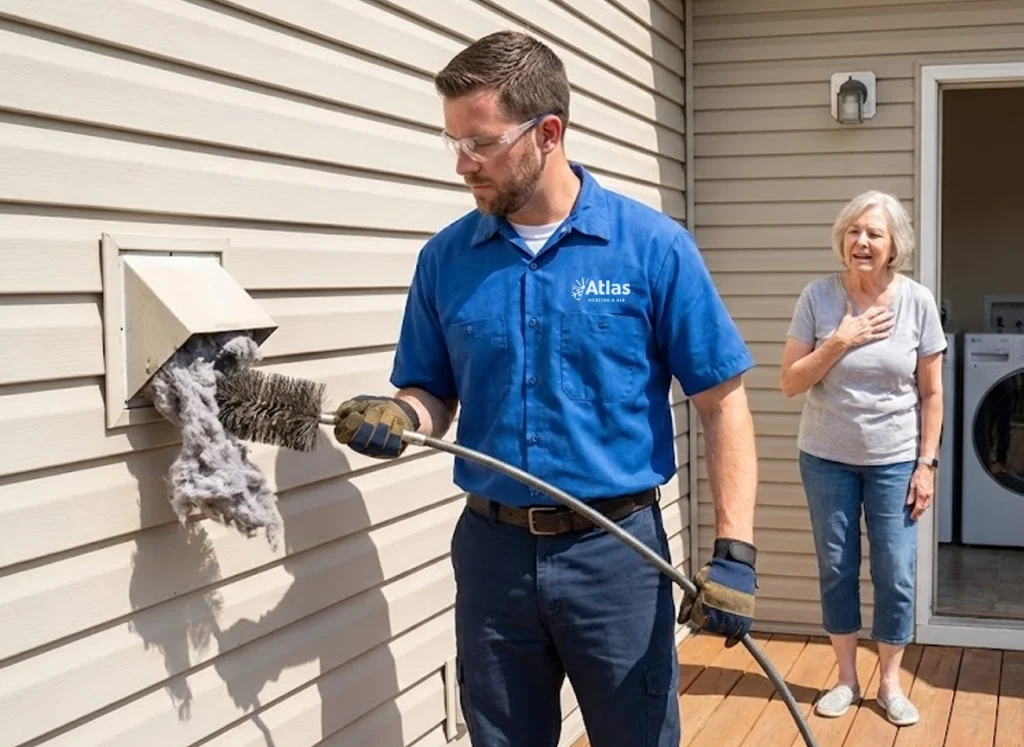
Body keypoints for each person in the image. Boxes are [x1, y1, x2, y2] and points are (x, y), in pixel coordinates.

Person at [331, 31, 760, 747]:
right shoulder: (445, 259)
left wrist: (734, 552)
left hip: (617, 557)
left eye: (481, 143)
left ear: (548, 132)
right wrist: (398, 414)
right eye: (453, 143)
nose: (463, 165)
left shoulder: (651, 248)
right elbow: (429, 392)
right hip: (492, 557)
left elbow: (723, 403)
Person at [780, 190, 945, 728]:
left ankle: (891, 683)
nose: (862, 242)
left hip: (896, 459)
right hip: (826, 458)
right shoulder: (818, 298)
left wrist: (927, 463)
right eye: (854, 231)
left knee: (896, 572)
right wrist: (840, 341)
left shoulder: (917, 301)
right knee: (836, 567)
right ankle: (847, 679)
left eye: (874, 233)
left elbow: (932, 394)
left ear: (894, 244)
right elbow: (790, 382)